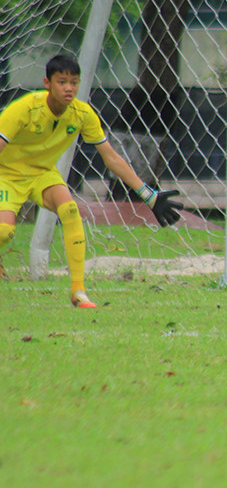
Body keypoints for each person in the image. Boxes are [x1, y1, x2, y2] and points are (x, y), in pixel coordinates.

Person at [0, 54, 183, 308]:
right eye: (62, 81)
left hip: (42, 174)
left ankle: (79, 292)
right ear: (47, 83)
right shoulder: (25, 108)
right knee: (4, 232)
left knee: (71, 209)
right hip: (6, 174)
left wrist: (148, 195)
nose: (69, 88)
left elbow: (112, 158)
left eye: (74, 82)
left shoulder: (82, 114)